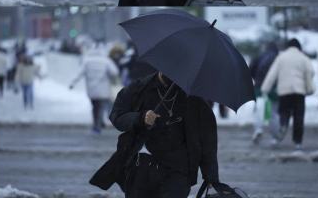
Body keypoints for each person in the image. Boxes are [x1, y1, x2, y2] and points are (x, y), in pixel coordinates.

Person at [91, 71, 234, 198]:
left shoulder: (195, 99)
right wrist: (140, 118)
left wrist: (211, 178)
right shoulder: (139, 89)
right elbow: (117, 116)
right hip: (141, 167)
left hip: (178, 171)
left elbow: (207, 140)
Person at [261, 38, 315, 149]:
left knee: (284, 112)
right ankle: (297, 142)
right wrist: (309, 88)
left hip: (284, 91)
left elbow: (272, 74)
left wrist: (265, 88)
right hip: (299, 92)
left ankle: (283, 125)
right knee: (298, 116)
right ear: (299, 47)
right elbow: (310, 73)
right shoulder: (303, 58)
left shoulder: (281, 58)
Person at [69, 47, 119, 134]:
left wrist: (72, 83)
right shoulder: (106, 61)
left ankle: (98, 124)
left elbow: (79, 74)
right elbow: (114, 72)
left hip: (92, 90)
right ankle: (98, 126)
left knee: (95, 107)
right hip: (104, 89)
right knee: (101, 107)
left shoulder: (87, 61)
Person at [248, 42, 280, 143]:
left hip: (259, 87)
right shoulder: (278, 58)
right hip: (273, 89)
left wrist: (256, 79)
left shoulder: (259, 57)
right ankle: (275, 136)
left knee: (258, 109)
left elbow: (250, 69)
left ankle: (258, 129)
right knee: (273, 113)